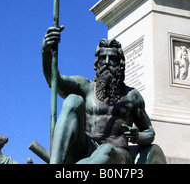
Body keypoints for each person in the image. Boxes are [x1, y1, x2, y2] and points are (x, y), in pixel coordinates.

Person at [41, 27, 155, 164]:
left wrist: (139, 136)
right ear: (97, 63)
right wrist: (46, 52)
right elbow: (55, 81)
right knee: (72, 100)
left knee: (106, 150)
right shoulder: (86, 87)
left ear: (120, 64)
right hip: (87, 148)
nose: (106, 62)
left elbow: (149, 131)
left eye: (112, 58)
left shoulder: (132, 96)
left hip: (117, 153)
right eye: (103, 58)